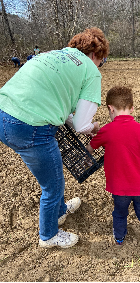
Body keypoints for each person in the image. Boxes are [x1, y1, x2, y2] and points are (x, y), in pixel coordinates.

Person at [0, 28, 109, 249]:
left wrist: (72, 120)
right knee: (53, 185)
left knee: (54, 171)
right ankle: (48, 235)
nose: (100, 65)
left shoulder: (52, 54)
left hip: (4, 115)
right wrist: (93, 126)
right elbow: (81, 125)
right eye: (102, 61)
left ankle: (59, 212)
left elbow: (57, 99)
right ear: (96, 55)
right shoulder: (91, 71)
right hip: (30, 126)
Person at [87, 85, 140, 261]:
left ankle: (119, 238)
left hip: (118, 188)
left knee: (119, 213)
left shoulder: (106, 131)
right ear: (132, 108)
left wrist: (88, 152)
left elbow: (90, 148)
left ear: (111, 108)